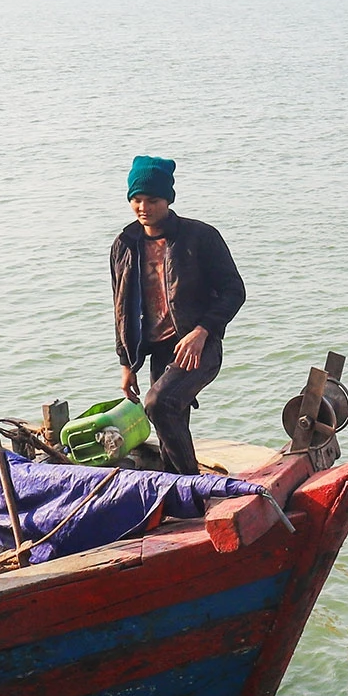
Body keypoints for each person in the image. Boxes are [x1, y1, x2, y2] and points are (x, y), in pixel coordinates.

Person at [110, 156, 246, 475]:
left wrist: (202, 332)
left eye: (152, 200)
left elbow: (234, 291)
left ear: (168, 200)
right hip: (158, 351)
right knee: (168, 422)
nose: (144, 207)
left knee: (159, 404)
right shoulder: (124, 245)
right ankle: (178, 496)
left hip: (199, 346)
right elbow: (120, 307)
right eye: (137, 199)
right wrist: (126, 364)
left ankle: (190, 487)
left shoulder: (200, 237)